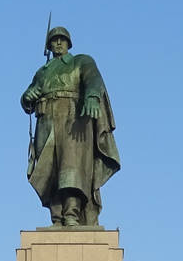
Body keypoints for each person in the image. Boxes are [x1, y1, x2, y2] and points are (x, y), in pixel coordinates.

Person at [20, 26, 120, 226]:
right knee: (50, 171)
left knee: (71, 168)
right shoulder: (42, 72)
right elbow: (29, 97)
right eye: (54, 40)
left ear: (68, 43)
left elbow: (94, 80)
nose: (58, 43)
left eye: (62, 40)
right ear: (49, 45)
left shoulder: (81, 61)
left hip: (74, 119)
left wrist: (92, 97)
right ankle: (56, 218)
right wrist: (26, 98)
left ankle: (71, 214)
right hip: (47, 120)